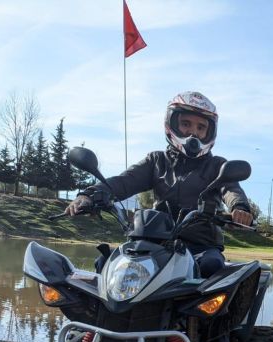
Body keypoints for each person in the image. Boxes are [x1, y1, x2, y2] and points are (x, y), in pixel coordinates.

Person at [65, 91, 253, 277]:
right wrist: (89, 195)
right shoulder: (156, 161)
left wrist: (240, 207)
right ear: (171, 124)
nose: (193, 132)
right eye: (186, 123)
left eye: (201, 127)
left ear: (209, 133)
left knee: (211, 266)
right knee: (107, 263)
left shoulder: (217, 166)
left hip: (200, 246)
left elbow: (231, 189)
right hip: (153, 242)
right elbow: (124, 182)